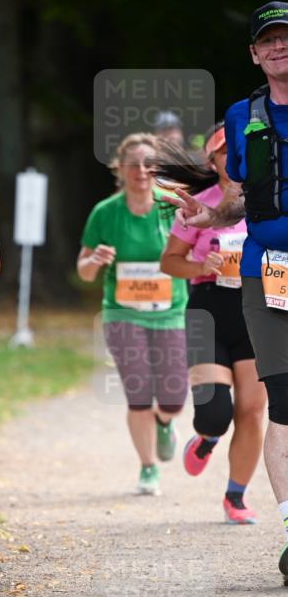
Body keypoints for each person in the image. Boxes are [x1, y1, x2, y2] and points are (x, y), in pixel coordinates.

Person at [170, 1, 288, 584]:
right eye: (268, 40)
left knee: (264, 406)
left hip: (266, 280)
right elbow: (238, 201)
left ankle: (243, 496)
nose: (278, 47)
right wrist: (208, 228)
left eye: (286, 37)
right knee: (249, 407)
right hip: (242, 288)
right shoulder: (245, 117)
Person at [158, 124, 266, 524]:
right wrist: (200, 265)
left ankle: (235, 497)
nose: (233, 156)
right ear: (212, 159)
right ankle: (206, 436)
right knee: (216, 411)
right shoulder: (197, 204)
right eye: (224, 150)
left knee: (253, 410)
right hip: (208, 308)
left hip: (258, 308)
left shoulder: (268, 201)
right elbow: (168, 261)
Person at [77, 133, 189, 495]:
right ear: (120, 170)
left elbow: (194, 249)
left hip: (170, 310)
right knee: (138, 391)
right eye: (133, 164)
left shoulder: (173, 207)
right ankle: (148, 468)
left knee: (173, 396)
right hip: (122, 313)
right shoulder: (105, 213)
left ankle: (164, 421)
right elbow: (84, 270)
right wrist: (93, 261)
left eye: (149, 164)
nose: (141, 170)